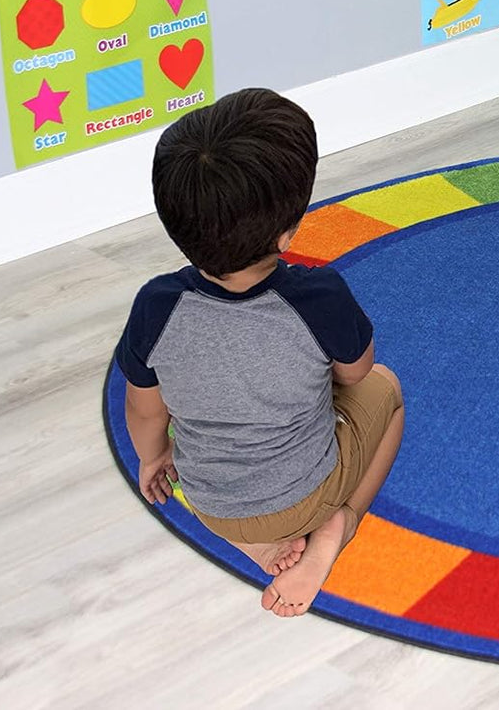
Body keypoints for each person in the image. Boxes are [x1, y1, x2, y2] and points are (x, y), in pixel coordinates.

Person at [116, 88, 404, 618]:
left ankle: (260, 546)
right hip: (308, 494)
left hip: (210, 506)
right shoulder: (318, 296)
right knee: (387, 389)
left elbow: (144, 408)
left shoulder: (155, 305)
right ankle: (339, 529)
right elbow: (357, 371)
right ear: (289, 230)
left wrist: (155, 457)